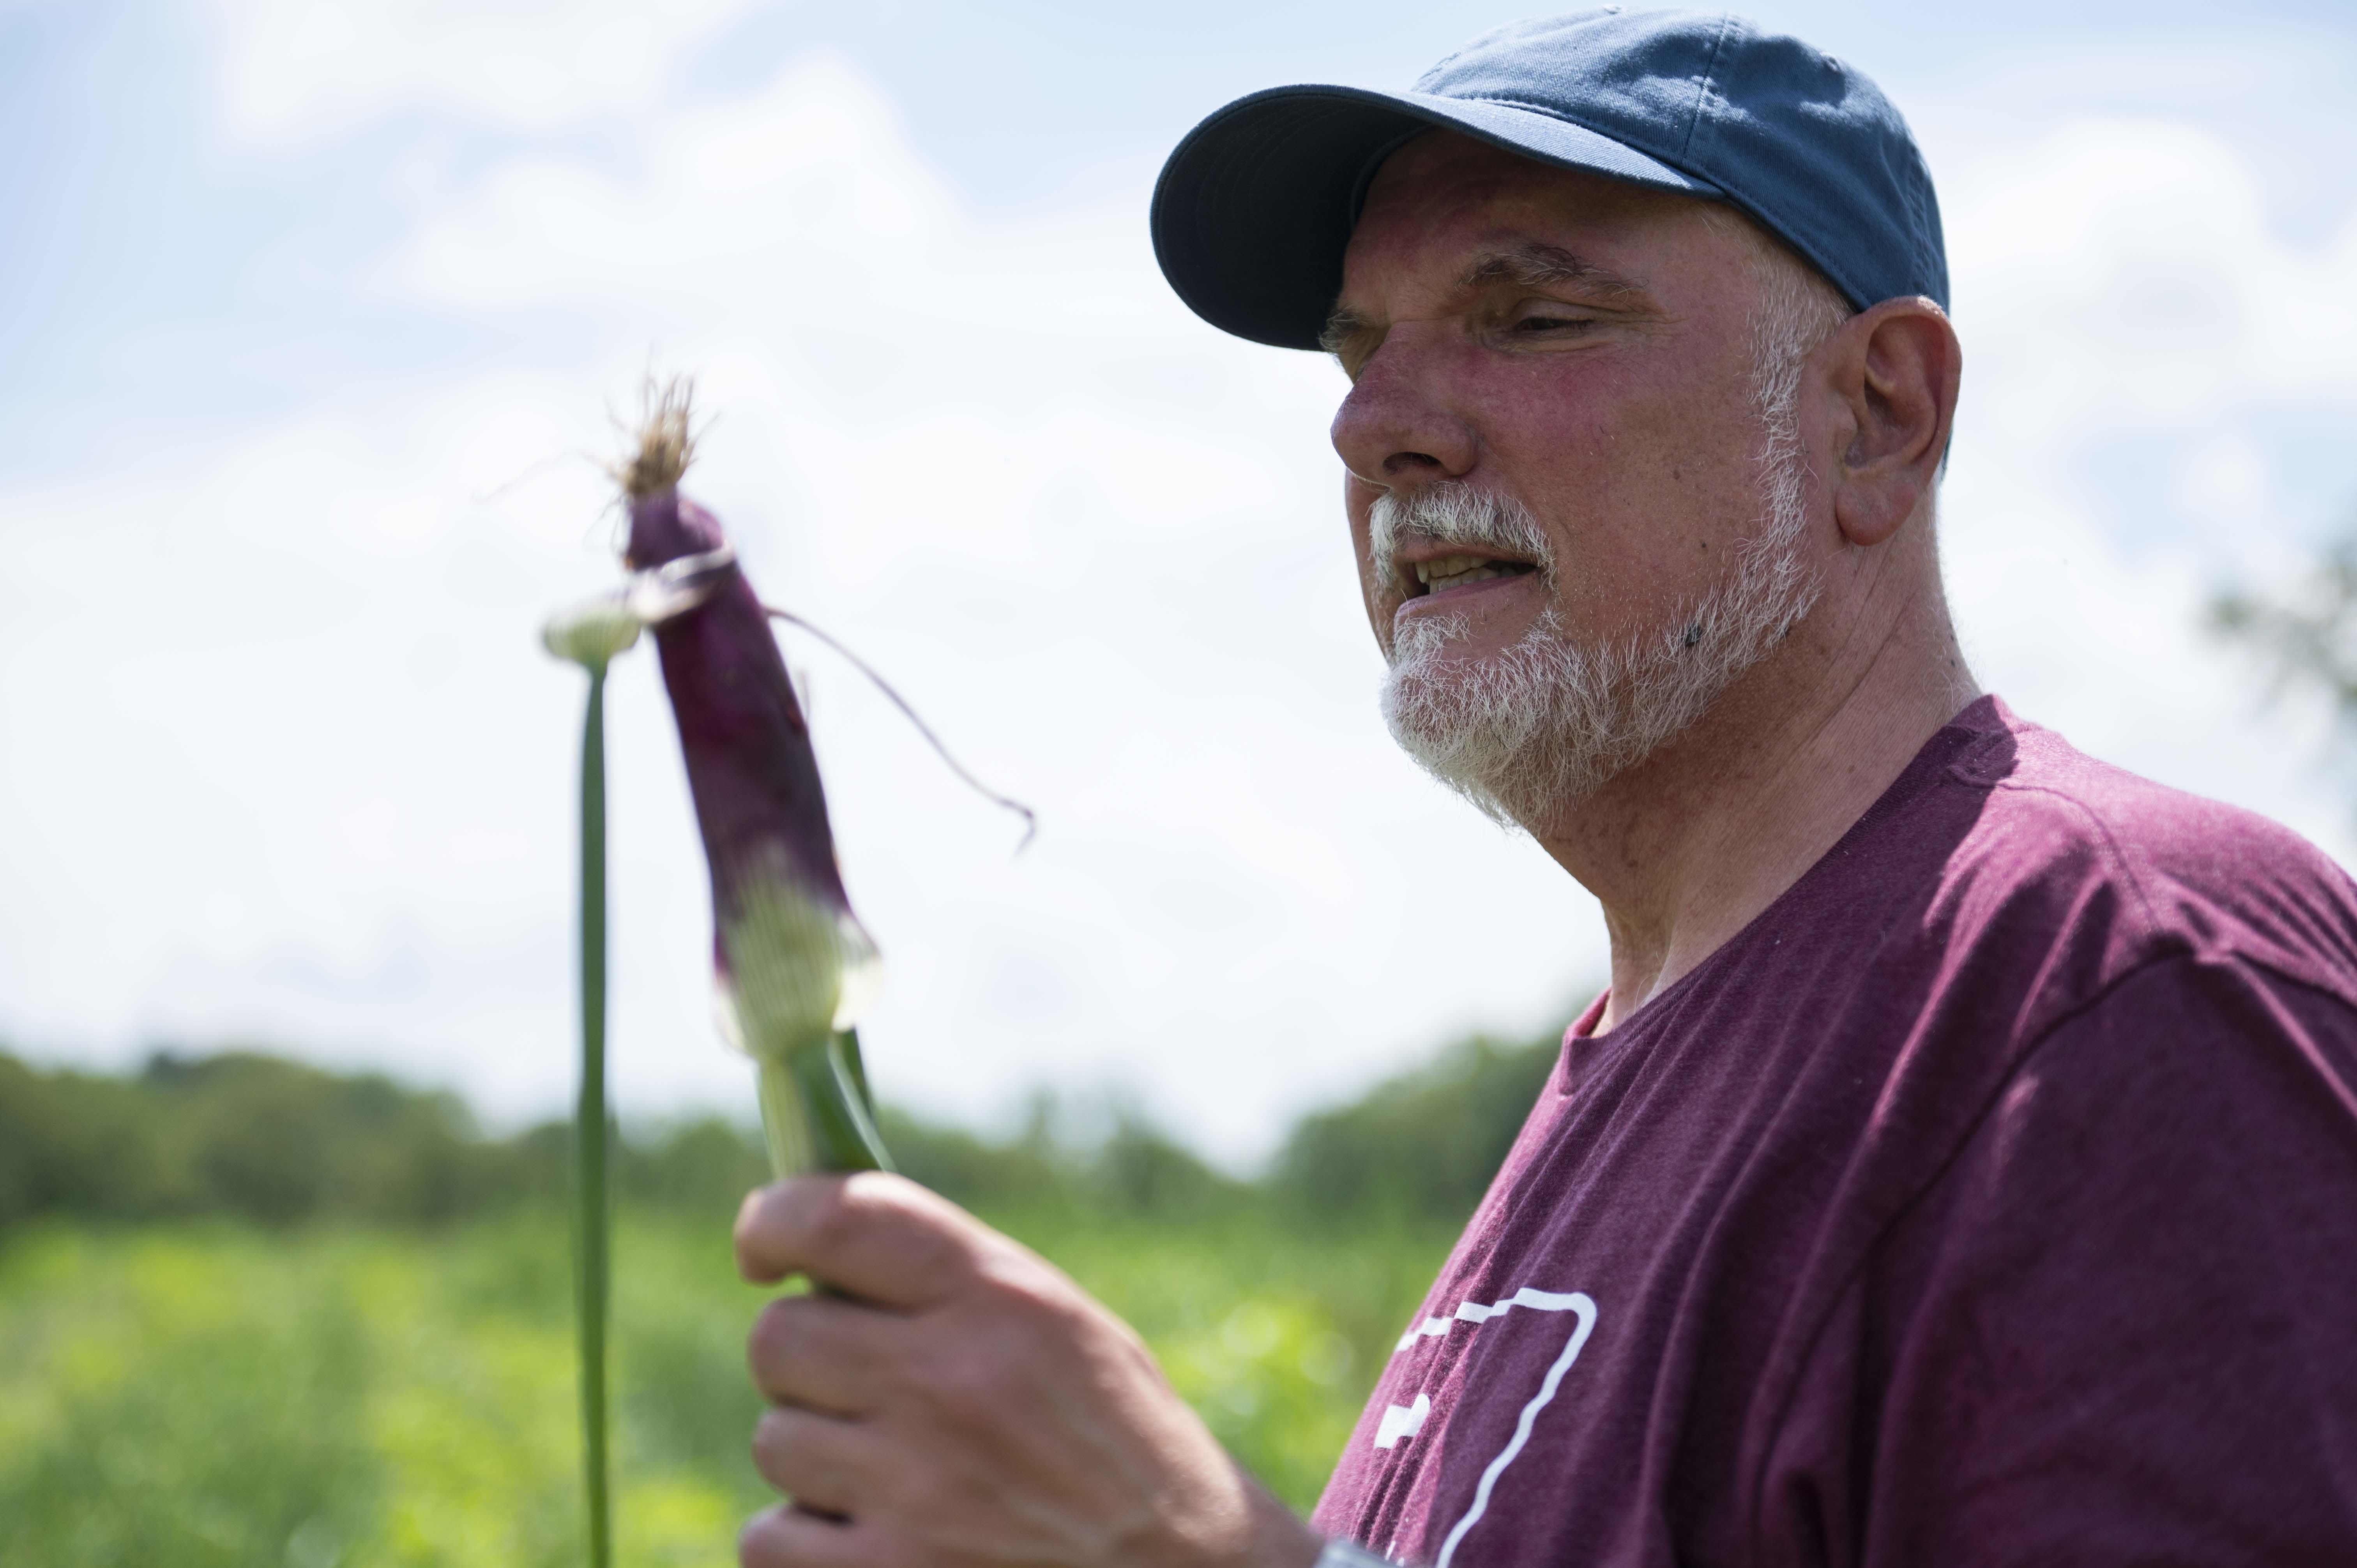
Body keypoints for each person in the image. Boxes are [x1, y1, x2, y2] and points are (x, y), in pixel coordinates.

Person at [731, 11, 2357, 1566]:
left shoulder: (2122, 978)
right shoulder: (1636, 1061)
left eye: (1534, 317)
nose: (1379, 429)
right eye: (1360, 351)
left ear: (1880, 415)